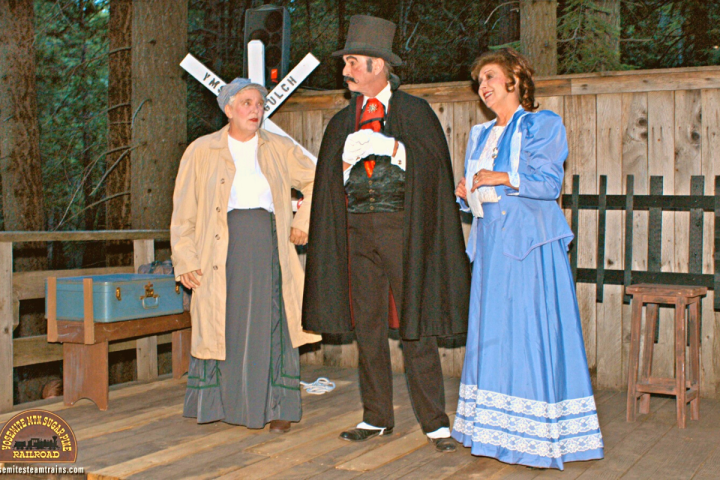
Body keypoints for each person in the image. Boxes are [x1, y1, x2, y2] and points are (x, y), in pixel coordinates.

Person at [302, 15, 470, 452]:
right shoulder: (342, 121)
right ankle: (376, 416)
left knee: (416, 325)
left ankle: (435, 421)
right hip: (355, 233)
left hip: (402, 230)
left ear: (377, 65)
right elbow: (327, 185)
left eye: (352, 62)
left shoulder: (414, 112)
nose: (345, 70)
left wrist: (395, 148)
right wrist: (343, 164)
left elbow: (434, 170)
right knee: (368, 327)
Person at [451, 48, 604, 469]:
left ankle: (535, 437)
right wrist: (466, 193)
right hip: (491, 246)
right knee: (494, 335)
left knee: (527, 332)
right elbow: (481, 194)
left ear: (515, 80)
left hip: (528, 244)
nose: (483, 86)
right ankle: (495, 432)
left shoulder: (541, 124)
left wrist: (502, 176)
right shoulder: (479, 134)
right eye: (479, 81)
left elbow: (549, 182)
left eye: (490, 76)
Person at [170, 78, 321, 433]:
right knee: (224, 323)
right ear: (228, 109)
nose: (255, 110)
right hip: (218, 250)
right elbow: (183, 211)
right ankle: (219, 403)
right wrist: (186, 259)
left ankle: (278, 406)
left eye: (259, 104)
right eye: (246, 103)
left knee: (273, 320)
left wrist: (303, 220)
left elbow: (319, 178)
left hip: (269, 245)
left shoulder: (278, 147)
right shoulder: (201, 150)